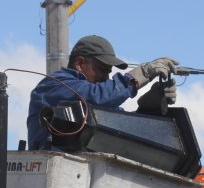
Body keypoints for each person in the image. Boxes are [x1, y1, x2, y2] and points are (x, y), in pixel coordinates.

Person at [27, 35, 179, 150]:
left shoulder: (96, 104)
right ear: (80, 63)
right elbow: (96, 95)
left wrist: (149, 107)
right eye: (102, 70)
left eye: (108, 72)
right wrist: (141, 75)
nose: (106, 78)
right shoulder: (54, 84)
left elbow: (123, 124)